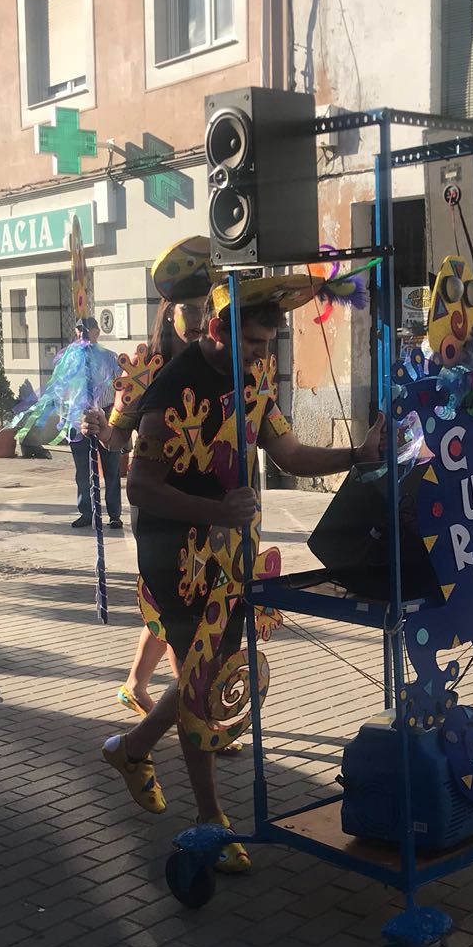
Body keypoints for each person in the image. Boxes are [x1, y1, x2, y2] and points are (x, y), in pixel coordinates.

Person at [100, 276, 382, 872]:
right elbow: (140, 487)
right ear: (214, 329)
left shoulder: (253, 380)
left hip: (231, 548)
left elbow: (291, 455)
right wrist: (214, 510)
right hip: (174, 551)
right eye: (252, 341)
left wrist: (357, 456)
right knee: (201, 679)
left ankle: (133, 749)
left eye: (267, 342)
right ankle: (210, 818)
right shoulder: (170, 391)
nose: (261, 354)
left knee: (213, 664)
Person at [83, 238, 212, 719]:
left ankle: (136, 685)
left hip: (207, 499)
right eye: (190, 308)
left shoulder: (219, 367)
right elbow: (118, 443)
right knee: (181, 607)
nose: (199, 318)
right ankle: (199, 715)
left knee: (174, 603)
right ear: (170, 312)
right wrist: (101, 429)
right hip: (158, 505)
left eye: (205, 307)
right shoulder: (144, 372)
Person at [68, 323, 122, 530]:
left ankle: (115, 514)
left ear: (97, 332)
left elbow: (120, 388)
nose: (81, 334)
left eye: (86, 330)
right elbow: (64, 388)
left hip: (106, 416)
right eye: (78, 330)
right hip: (80, 418)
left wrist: (115, 419)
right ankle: (86, 511)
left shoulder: (110, 357)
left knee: (112, 469)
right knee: (83, 469)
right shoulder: (72, 359)